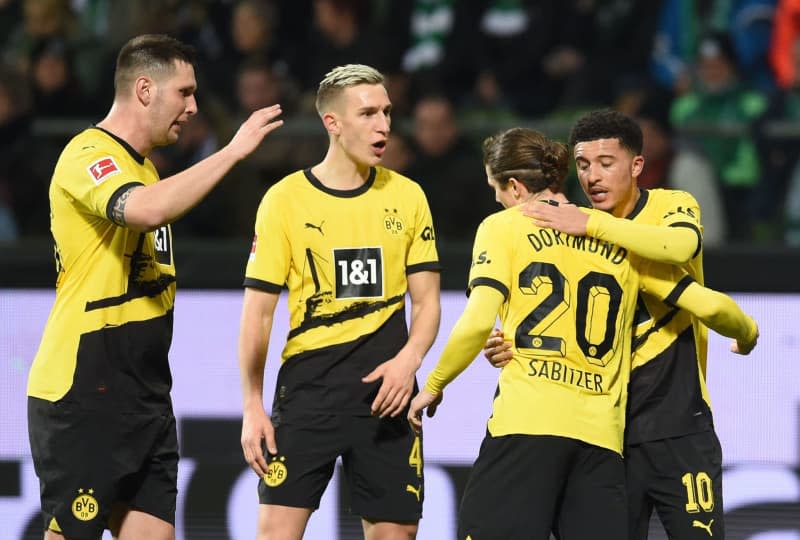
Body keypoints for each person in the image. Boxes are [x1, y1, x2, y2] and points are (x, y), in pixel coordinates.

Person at [408, 126, 758, 539]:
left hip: (528, 425)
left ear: (515, 186)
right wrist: (748, 334)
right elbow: (712, 305)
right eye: (585, 165)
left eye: (496, 188)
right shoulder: (623, 250)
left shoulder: (503, 227)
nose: (497, 199)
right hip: (602, 440)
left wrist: (434, 383)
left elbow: (478, 319)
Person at [26, 34, 283, 540]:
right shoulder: (87, 153)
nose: (192, 107)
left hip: (146, 394)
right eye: (184, 93)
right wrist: (231, 152)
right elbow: (145, 210)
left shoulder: (145, 168)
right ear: (144, 89)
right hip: (85, 386)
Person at [238, 63, 441, 540]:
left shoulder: (409, 197)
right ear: (333, 123)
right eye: (368, 113)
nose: (384, 125)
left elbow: (428, 303)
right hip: (310, 392)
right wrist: (251, 404)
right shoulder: (284, 200)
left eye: (387, 112)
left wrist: (408, 361)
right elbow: (259, 314)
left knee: (397, 536)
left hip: (388, 397)